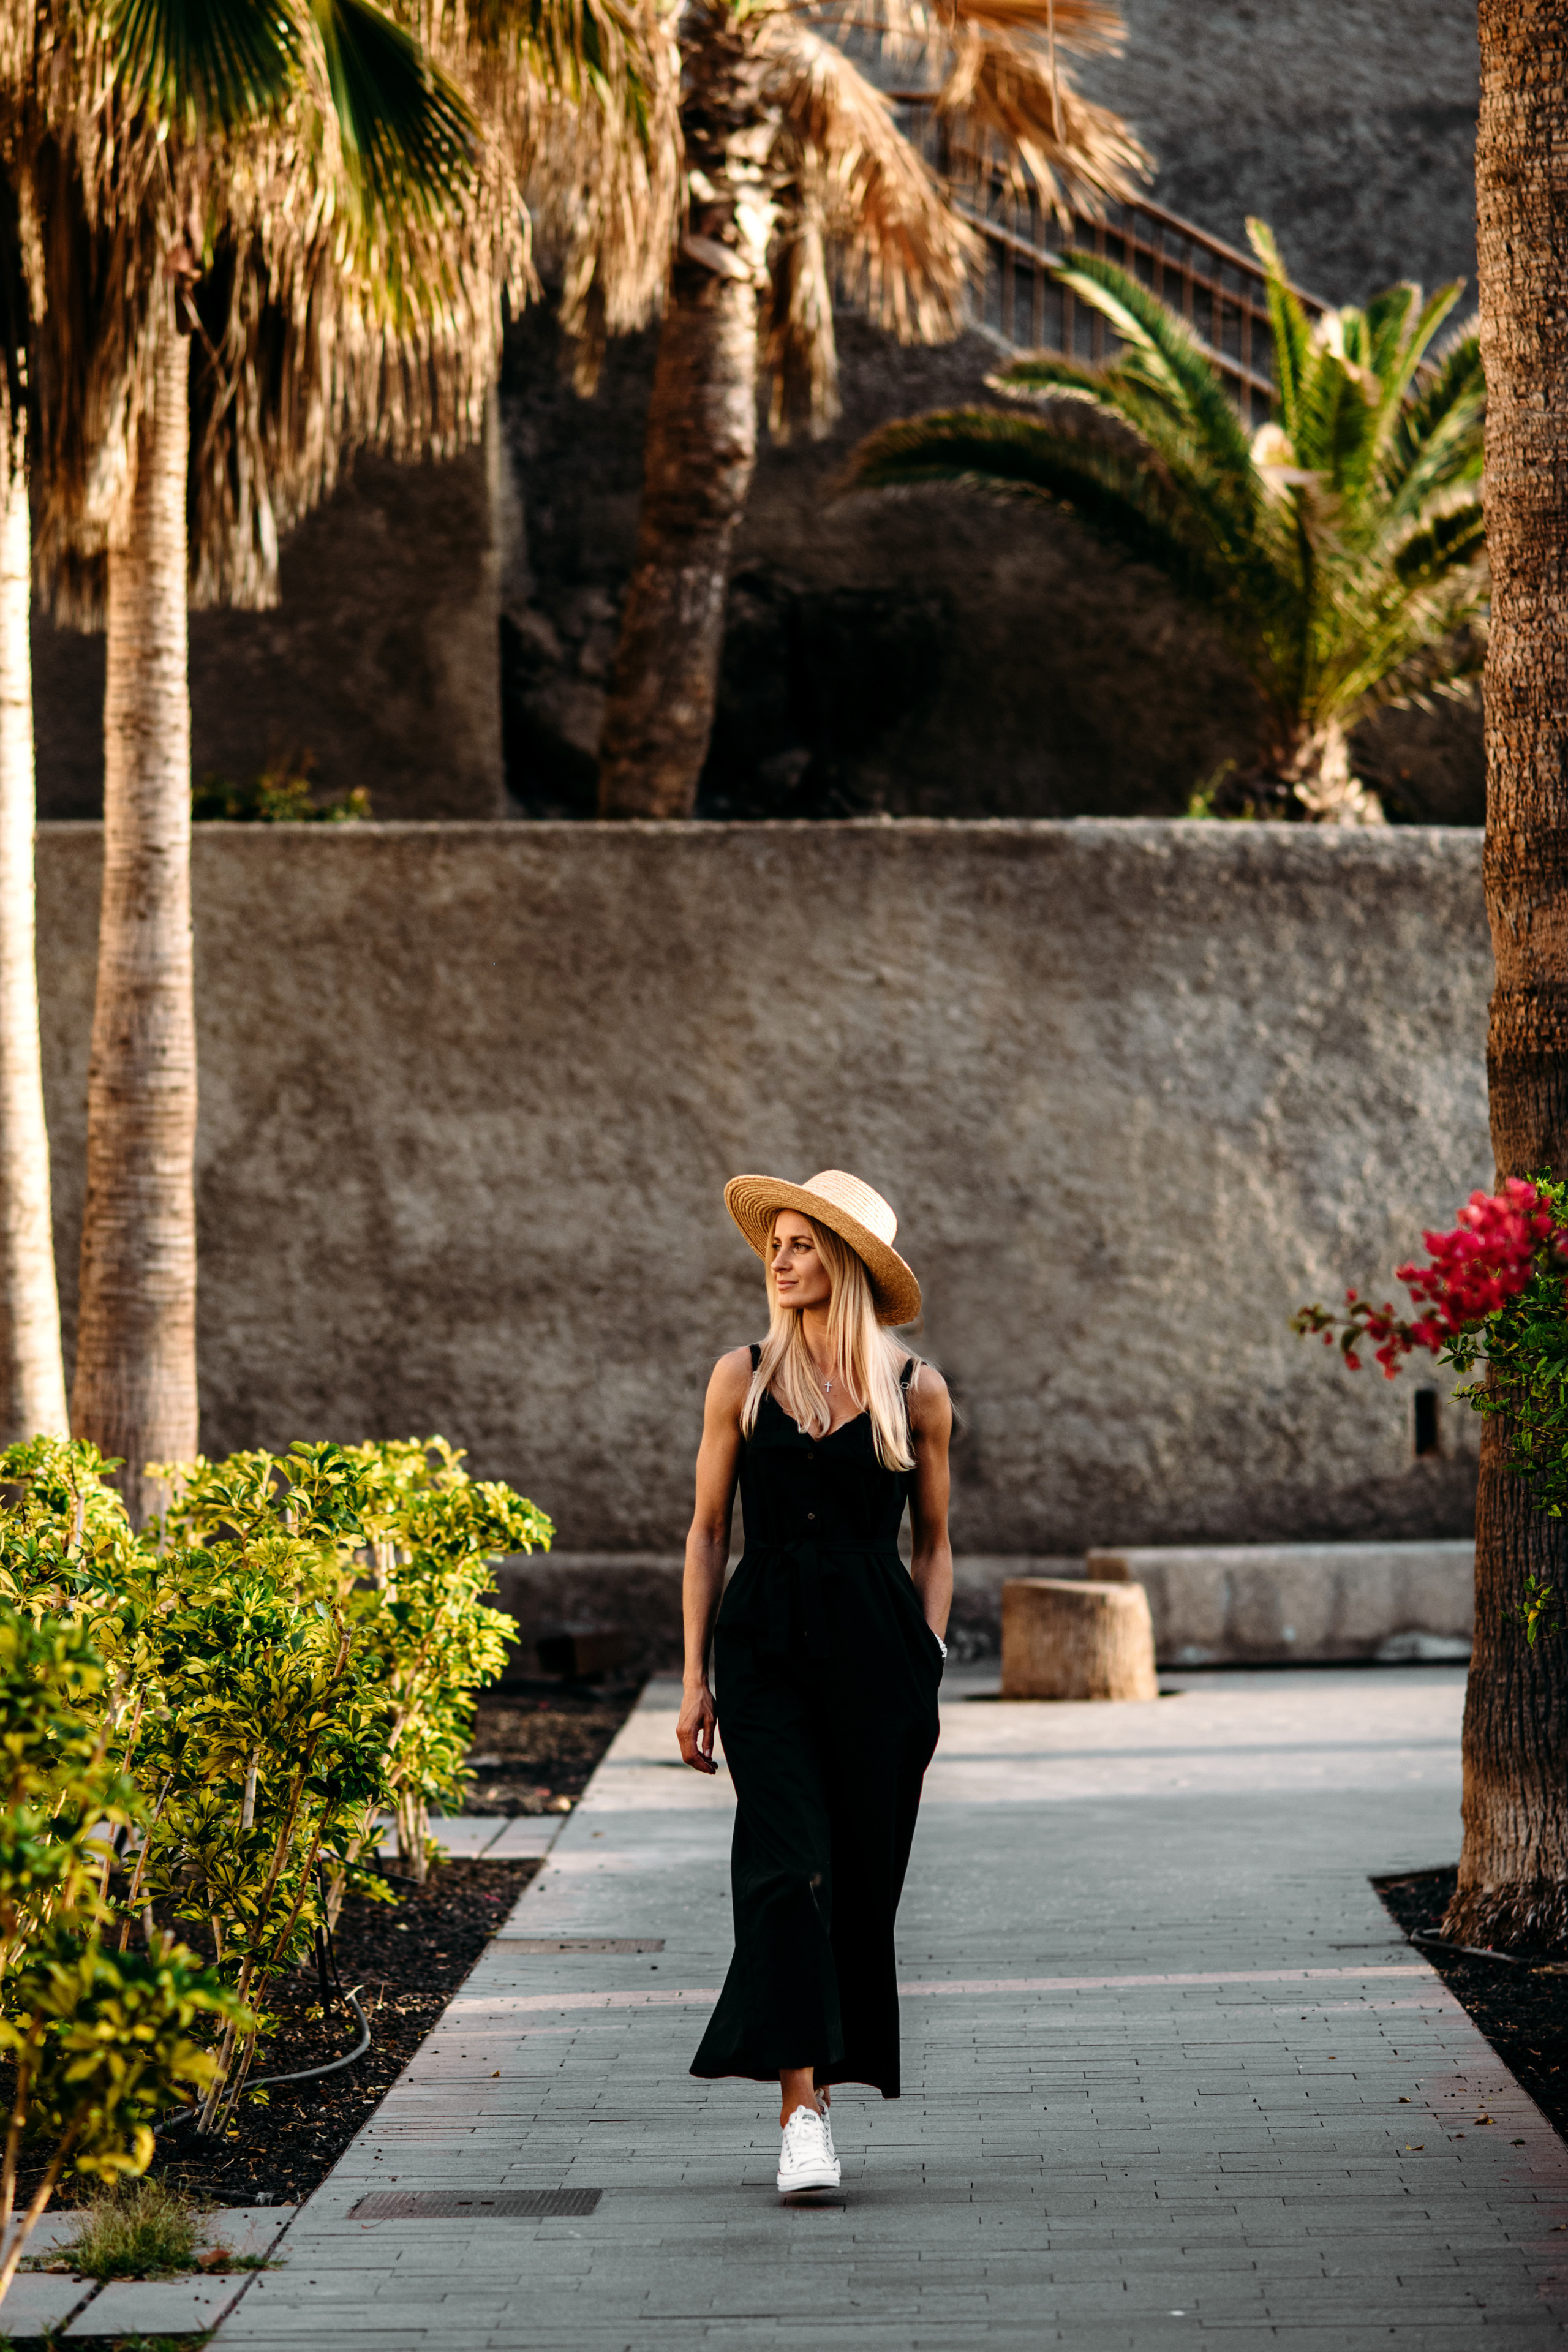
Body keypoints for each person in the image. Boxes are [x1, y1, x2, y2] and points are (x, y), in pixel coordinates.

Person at [678, 1168, 954, 2195]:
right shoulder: (740, 1377)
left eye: (801, 1245)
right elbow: (709, 1534)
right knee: (788, 1871)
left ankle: (826, 2092)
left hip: (880, 1664)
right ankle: (801, 2115)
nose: (780, 1262)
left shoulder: (915, 1389)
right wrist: (695, 1678)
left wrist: (926, 1658)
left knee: (858, 1888)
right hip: (765, 1658)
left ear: (844, 1262)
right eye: (775, 1246)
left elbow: (935, 1544)